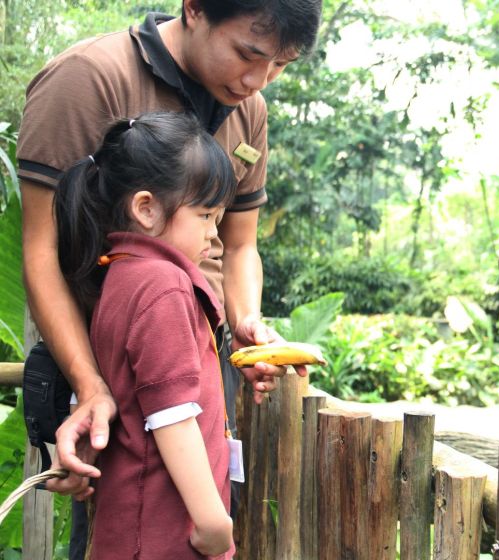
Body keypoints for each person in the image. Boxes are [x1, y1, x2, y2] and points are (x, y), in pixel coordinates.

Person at [17, 0, 322, 503]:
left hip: (203, 357)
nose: (258, 81)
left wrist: (245, 323)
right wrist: (90, 385)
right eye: (248, 54)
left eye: (280, 64)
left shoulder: (250, 111)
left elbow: (240, 244)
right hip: (115, 365)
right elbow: (41, 252)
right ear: (195, 9)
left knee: (203, 513)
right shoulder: (88, 78)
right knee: (126, 519)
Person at [54, 111, 237, 559]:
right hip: (164, 537)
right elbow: (171, 415)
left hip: (131, 532)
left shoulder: (119, 278)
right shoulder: (163, 284)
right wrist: (214, 523)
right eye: (205, 215)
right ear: (146, 208)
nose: (214, 234)